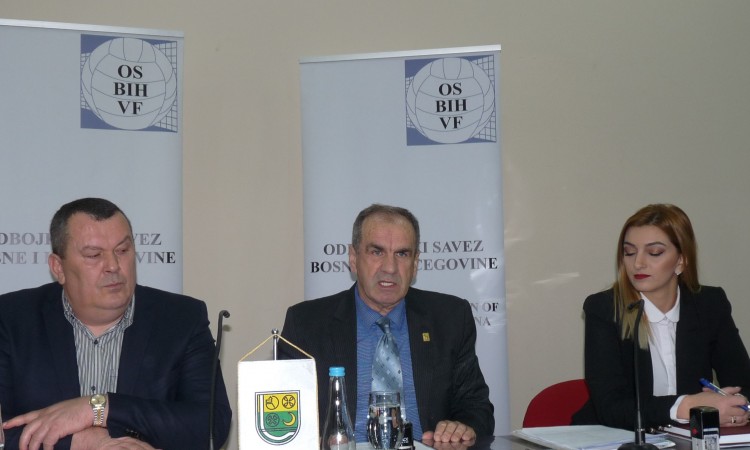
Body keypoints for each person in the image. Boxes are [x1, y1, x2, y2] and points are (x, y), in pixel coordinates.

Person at [0, 198, 231, 450]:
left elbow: (211, 425)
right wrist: (83, 442)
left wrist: (99, 408)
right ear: (58, 268)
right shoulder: (11, 319)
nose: (113, 266)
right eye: (94, 255)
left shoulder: (181, 319)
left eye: (122, 251)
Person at [280, 204, 494, 444]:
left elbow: (477, 407)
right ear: (353, 258)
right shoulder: (305, 324)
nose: (390, 268)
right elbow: (285, 416)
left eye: (402, 254)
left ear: (415, 264)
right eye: (377, 252)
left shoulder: (450, 318)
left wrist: (461, 427)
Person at [573, 203, 750, 430]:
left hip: (683, 438)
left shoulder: (709, 304)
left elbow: (743, 383)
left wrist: (734, 404)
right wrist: (687, 406)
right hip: (613, 436)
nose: (638, 263)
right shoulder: (604, 308)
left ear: (681, 260)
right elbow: (611, 407)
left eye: (654, 252)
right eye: (629, 252)